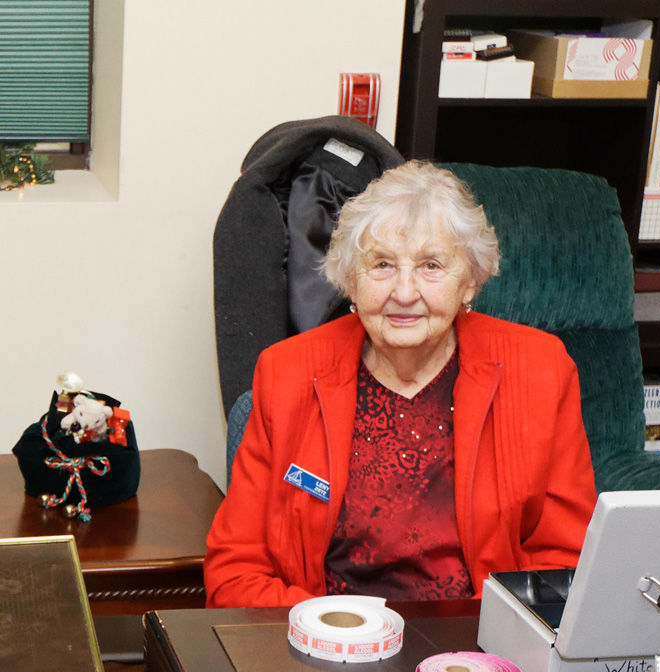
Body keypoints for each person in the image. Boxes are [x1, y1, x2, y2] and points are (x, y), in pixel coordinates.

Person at [204, 160, 597, 608]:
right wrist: (329, 631)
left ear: (470, 281)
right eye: (383, 265)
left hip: (478, 650)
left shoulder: (539, 371)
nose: (405, 292)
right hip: (328, 646)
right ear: (350, 280)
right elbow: (235, 568)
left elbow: (567, 561)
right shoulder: (288, 373)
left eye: (431, 265)